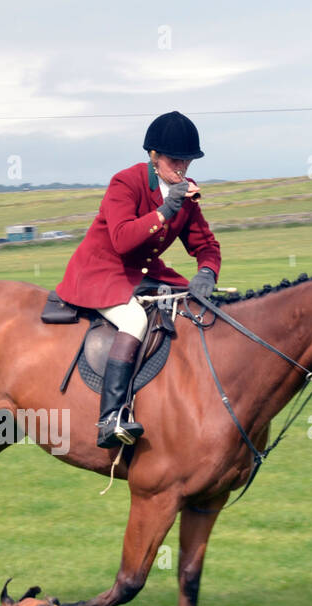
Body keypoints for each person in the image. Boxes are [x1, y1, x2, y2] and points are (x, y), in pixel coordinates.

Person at [55, 111, 222, 448]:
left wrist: (206, 271)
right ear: (153, 156)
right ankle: (110, 417)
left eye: (188, 161)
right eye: (175, 160)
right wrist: (164, 211)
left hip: (145, 273)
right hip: (102, 271)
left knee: (198, 308)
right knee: (133, 319)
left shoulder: (185, 194)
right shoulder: (126, 182)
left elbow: (205, 244)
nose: (182, 168)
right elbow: (121, 240)